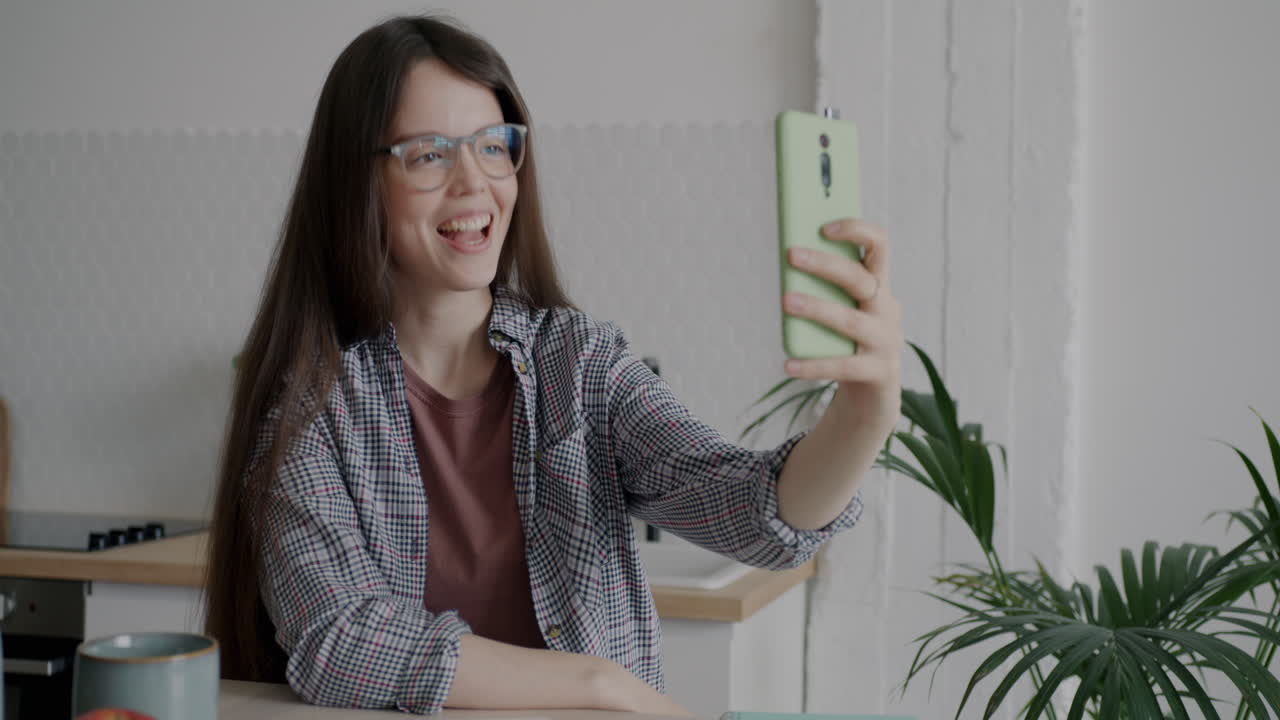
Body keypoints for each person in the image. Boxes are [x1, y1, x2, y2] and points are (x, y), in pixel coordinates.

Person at [204, 13, 903, 716]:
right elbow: (340, 641)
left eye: (493, 146)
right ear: (356, 181)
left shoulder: (582, 366)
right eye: (429, 155)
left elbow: (749, 511)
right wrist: (601, 685)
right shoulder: (313, 410)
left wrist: (866, 413)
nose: (475, 183)